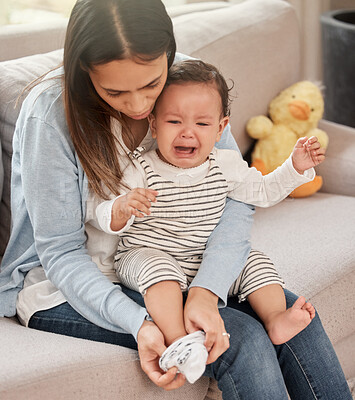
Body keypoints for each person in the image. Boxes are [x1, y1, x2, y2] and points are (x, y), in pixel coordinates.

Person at [0, 0, 351, 398]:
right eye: (114, 90)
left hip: (173, 255)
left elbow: (233, 198)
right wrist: (140, 324)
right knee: (246, 341)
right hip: (68, 282)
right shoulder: (49, 115)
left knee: (295, 321)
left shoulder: (188, 85)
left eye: (150, 85)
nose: (138, 106)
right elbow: (61, 252)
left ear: (167, 54)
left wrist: (206, 291)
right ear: (84, 70)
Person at [93, 59, 319, 383]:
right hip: (147, 253)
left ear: (221, 128)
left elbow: (264, 191)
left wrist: (294, 168)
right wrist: (120, 209)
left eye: (202, 123)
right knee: (159, 272)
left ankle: (276, 319)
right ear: (154, 125)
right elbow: (102, 210)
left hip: (202, 262)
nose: (187, 132)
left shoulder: (226, 164)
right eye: (174, 121)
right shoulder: (139, 168)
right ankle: (180, 340)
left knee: (253, 260)